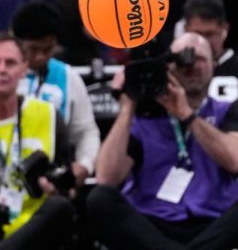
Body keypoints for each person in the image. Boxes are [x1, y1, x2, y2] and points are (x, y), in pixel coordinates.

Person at [89, 33, 238, 249]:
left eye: (200, 59)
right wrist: (128, 106)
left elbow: (235, 160)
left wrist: (187, 114)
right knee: (99, 198)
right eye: (182, 60)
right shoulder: (144, 116)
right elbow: (106, 178)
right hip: (153, 225)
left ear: (214, 66)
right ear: (168, 67)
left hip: (212, 223)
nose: (191, 65)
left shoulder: (227, 110)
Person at [0, 33, 73, 249]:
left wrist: (54, 186)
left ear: (24, 68)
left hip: (28, 228)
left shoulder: (48, 114)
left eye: (10, 63)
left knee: (60, 206)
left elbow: (68, 185)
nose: (2, 69)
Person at [9, 2, 99, 184]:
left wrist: (85, 165)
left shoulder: (68, 77)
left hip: (53, 175)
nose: (41, 56)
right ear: (15, 41)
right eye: (33, 49)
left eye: (48, 49)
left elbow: (86, 131)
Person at [183, 0, 237, 104]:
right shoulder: (174, 68)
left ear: (224, 28)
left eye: (209, 34)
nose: (203, 42)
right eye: (197, 34)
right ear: (186, 29)